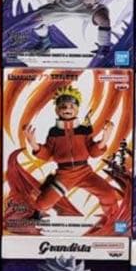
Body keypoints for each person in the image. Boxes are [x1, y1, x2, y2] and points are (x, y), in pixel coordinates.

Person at [22, 85, 122, 223]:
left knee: (109, 194)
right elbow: (47, 154)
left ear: (77, 109)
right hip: (64, 175)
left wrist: (105, 139)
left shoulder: (84, 130)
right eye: (63, 106)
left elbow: (93, 152)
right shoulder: (54, 132)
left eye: (71, 106)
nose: (67, 109)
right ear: (57, 110)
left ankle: (114, 219)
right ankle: (37, 215)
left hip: (85, 172)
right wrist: (33, 143)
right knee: (42, 204)